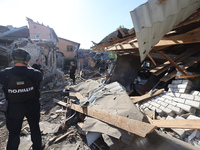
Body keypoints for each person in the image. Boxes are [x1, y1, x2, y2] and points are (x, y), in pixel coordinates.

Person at [0, 48, 44, 150]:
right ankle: (37, 147)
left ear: (12, 59)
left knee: (14, 133)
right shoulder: (36, 73)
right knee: (34, 128)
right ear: (27, 60)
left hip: (13, 107)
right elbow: (39, 79)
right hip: (32, 106)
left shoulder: (3, 74)